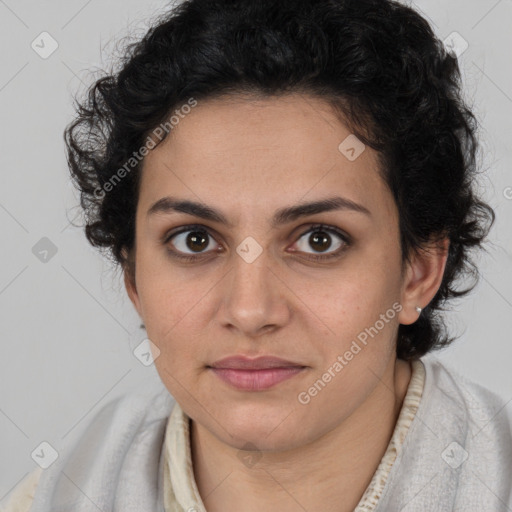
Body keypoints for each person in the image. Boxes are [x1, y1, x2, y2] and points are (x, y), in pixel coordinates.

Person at [2, 0, 511, 510]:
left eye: (319, 240)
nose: (250, 312)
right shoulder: (59, 494)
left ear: (418, 272)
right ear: (133, 275)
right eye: (194, 240)